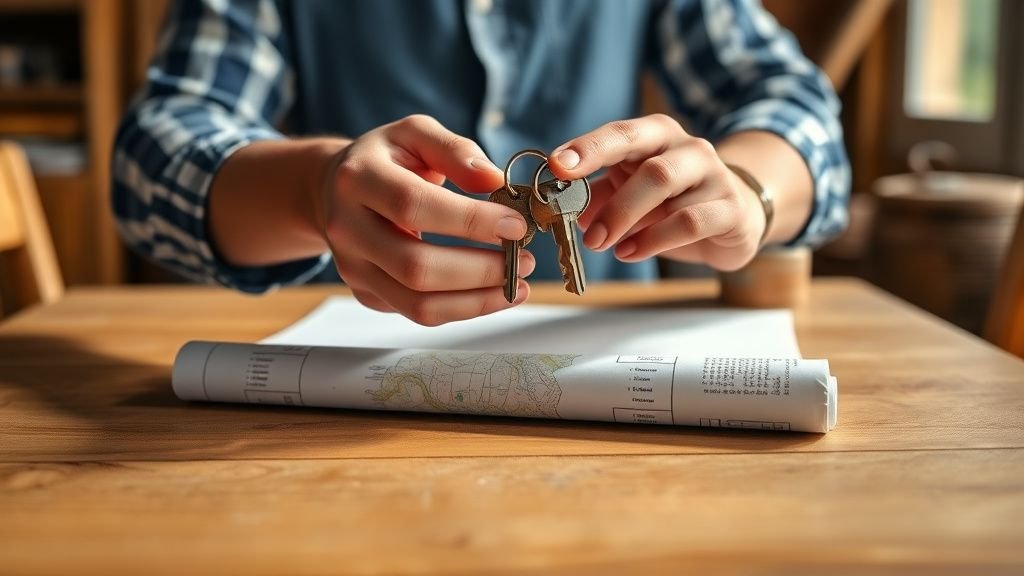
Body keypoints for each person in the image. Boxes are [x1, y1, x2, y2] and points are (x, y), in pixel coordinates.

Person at [113, 0, 849, 326]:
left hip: (616, 384)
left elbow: (790, 98)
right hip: (342, 384)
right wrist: (313, 187)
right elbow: (152, 156)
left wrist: (751, 190)